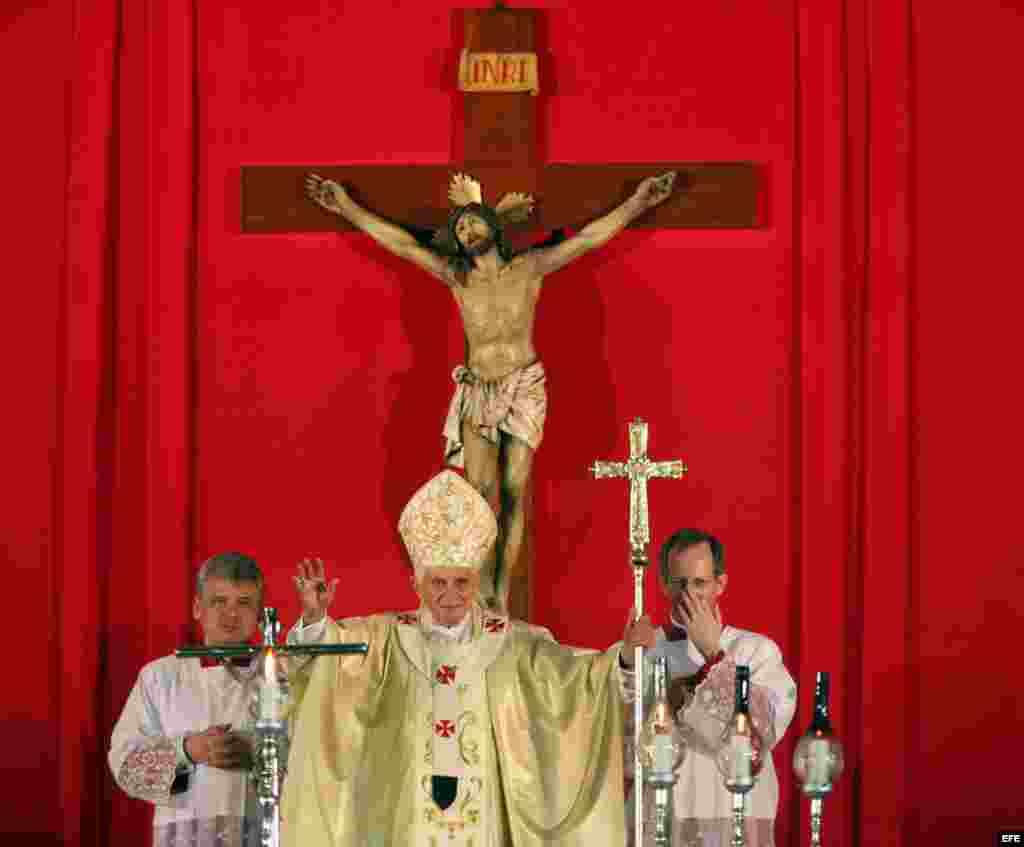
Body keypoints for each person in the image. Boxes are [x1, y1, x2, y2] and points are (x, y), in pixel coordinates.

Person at [305, 170, 676, 612]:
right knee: (480, 491)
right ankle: (480, 590)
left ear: (494, 228)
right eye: (460, 228)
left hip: (523, 385)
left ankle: (501, 593)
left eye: (473, 223)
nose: (466, 231)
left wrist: (638, 203)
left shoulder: (528, 268)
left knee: (515, 488)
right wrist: (345, 207)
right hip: (479, 387)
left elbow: (588, 240)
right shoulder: (457, 277)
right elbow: (401, 245)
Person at [282, 469, 627, 847]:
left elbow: (574, 677)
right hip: (409, 826)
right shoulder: (387, 639)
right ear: (416, 583)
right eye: (438, 582)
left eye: (461, 582)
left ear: (476, 582)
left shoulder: (512, 645)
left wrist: (623, 658)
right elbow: (331, 661)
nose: (450, 594)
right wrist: (316, 620)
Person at [620, 529, 797, 846]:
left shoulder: (756, 651)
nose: (688, 594)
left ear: (720, 584)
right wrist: (628, 664)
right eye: (679, 583)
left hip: (732, 821)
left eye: (700, 583)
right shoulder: (644, 650)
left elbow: (759, 736)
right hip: (662, 822)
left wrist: (713, 655)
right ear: (663, 584)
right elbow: (619, 743)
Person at [108, 552, 264, 847]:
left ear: (259, 614)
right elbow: (124, 765)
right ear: (197, 607)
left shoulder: (278, 676)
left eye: (243, 603)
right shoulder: (159, 677)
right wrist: (187, 750)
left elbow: (313, 758)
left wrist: (258, 755)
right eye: (219, 601)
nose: (231, 614)